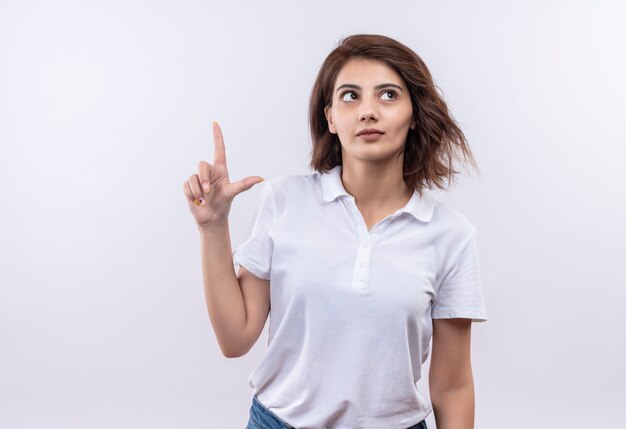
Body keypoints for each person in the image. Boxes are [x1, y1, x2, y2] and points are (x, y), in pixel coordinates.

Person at [183, 34, 487, 429]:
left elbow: (452, 387)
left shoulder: (451, 235)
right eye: (350, 96)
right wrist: (213, 229)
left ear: (414, 115)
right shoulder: (283, 200)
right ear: (330, 117)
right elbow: (235, 338)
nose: (368, 111)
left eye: (389, 95)